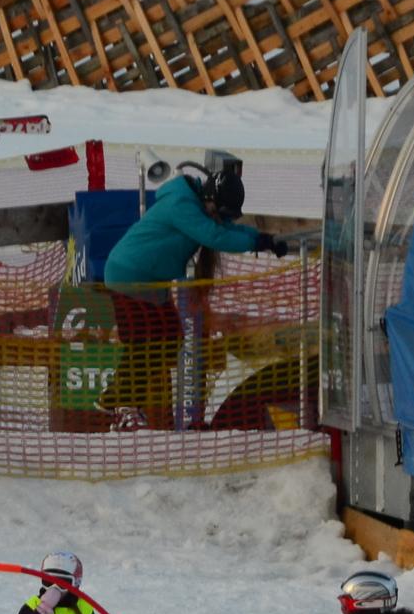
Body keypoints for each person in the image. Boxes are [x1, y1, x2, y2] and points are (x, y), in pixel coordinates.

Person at [98, 156, 281, 429]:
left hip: (151, 280)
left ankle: (118, 399)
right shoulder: (182, 205)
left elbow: (224, 228)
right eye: (218, 211)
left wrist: (262, 239)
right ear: (209, 196)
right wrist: (254, 243)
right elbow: (214, 235)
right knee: (145, 341)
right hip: (129, 275)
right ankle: (122, 405)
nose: (218, 218)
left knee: (169, 337)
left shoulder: (199, 207)